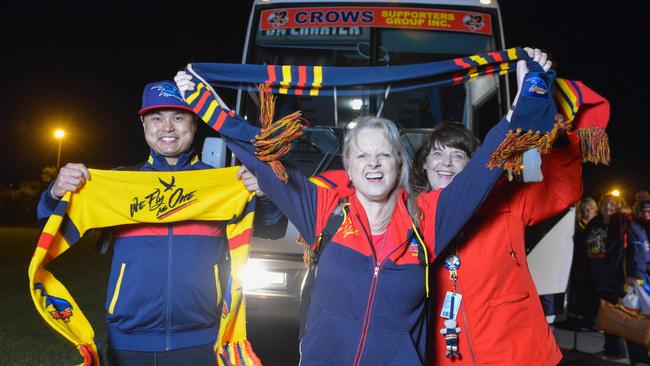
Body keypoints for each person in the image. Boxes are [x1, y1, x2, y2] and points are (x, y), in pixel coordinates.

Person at [175, 47, 554, 365]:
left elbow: (483, 168)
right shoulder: (324, 210)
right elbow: (262, 157)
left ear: (400, 165)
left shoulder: (429, 219)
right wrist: (207, 105)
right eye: (361, 155)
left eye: (384, 154)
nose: (373, 162)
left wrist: (521, 106)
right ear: (349, 168)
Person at [36, 81, 281, 365]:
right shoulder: (121, 182)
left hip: (202, 338)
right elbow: (48, 225)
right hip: (129, 340)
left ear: (194, 123)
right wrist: (56, 191)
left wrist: (265, 194)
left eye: (178, 117)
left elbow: (273, 229)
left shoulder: (224, 183)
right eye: (156, 118)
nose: (167, 127)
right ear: (144, 124)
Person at [409, 118, 582, 364]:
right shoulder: (411, 218)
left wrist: (561, 139)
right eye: (437, 153)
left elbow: (563, 190)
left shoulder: (505, 202)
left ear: (474, 165)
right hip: (449, 357)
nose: (446, 163)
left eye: (458, 155)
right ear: (425, 164)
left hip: (519, 354)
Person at [583, 193, 628, 360]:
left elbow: (622, 250)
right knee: (603, 314)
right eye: (606, 204)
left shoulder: (620, 224)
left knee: (613, 315)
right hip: (595, 273)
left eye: (612, 205)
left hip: (611, 275)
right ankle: (610, 349)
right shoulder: (594, 223)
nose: (608, 207)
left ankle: (618, 351)